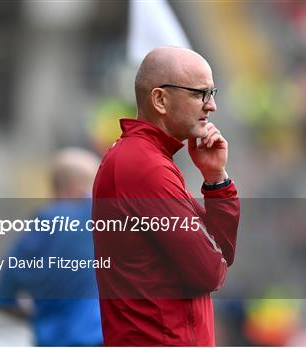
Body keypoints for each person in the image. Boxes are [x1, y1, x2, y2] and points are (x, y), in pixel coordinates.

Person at [92, 46, 240, 346]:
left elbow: (221, 252)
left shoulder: (149, 160)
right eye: (200, 94)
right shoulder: (144, 166)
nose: (211, 106)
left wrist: (215, 178)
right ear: (160, 99)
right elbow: (210, 272)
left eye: (212, 93)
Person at [0, 148, 103, 346]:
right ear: (76, 186)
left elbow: (3, 300)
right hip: (96, 338)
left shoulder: (36, 229)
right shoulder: (97, 216)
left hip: (49, 340)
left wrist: (42, 317)